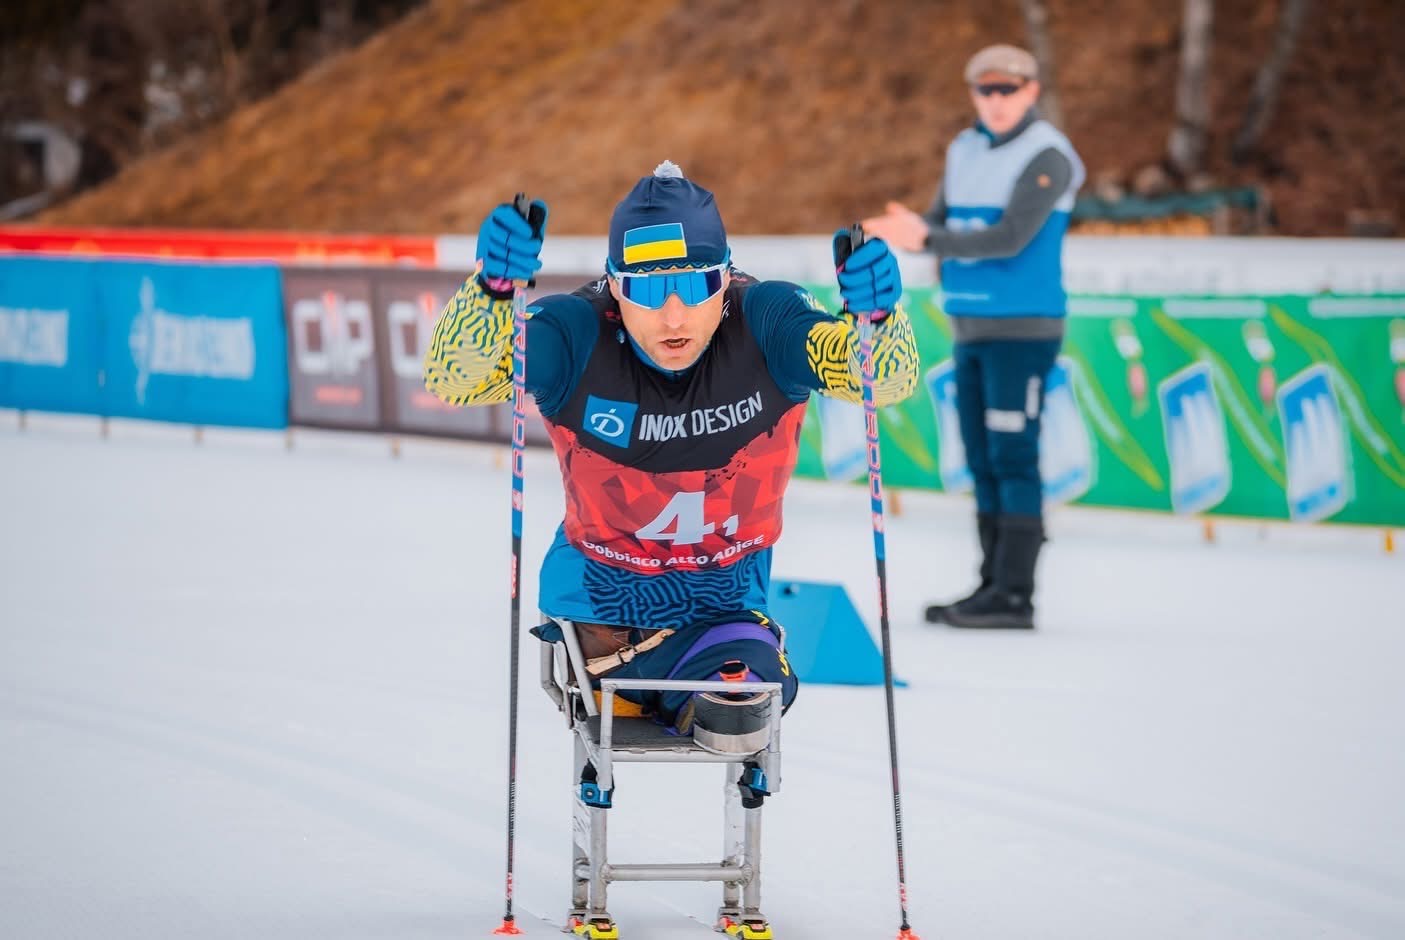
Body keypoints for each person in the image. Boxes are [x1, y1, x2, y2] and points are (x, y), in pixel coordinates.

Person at [424, 161, 918, 735]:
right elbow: (454, 380)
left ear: (726, 278)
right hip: (600, 619)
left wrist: (878, 319)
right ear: (613, 285)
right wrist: (490, 292)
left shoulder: (769, 321)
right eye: (649, 289)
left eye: (693, 284)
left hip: (722, 616)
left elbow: (882, 380)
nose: (672, 315)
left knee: (740, 718)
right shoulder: (574, 331)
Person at [863, 43, 1085, 630]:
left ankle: (1016, 594)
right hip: (970, 327)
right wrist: (909, 232)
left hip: (1023, 328)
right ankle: (990, 584)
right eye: (986, 90)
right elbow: (937, 222)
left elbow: (1010, 236)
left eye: (1008, 89)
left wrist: (926, 240)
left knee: (1014, 457)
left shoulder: (1049, 155)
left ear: (1031, 91)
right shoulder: (964, 148)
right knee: (984, 459)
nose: (996, 100)